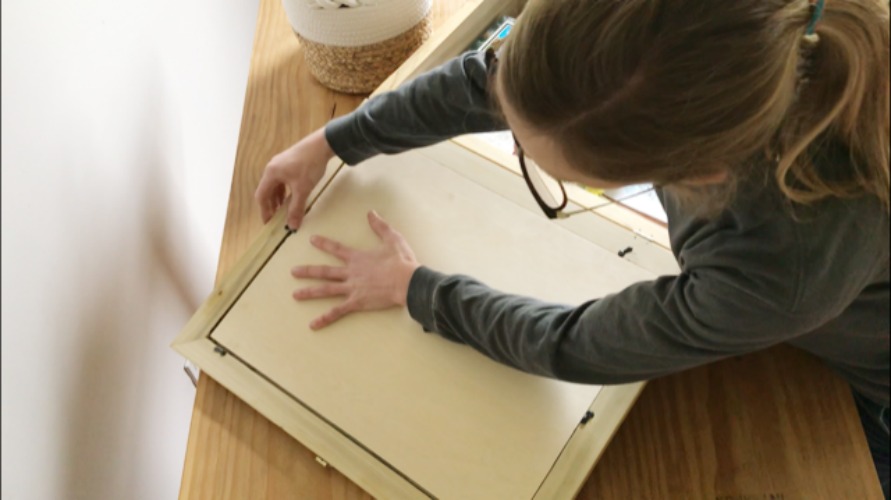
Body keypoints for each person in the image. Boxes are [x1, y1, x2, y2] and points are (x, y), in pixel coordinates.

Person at [255, 0, 890, 495]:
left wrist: (416, 288)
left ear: (698, 176)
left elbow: (574, 343)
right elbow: (509, 83)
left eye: (559, 172)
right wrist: (339, 139)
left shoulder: (782, 265)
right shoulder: (680, 41)